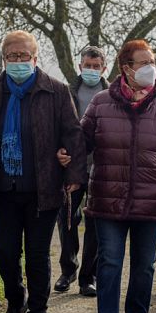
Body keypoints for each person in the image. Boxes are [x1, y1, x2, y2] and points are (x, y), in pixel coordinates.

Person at [0, 30, 86, 313]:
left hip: (43, 188)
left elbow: (72, 134)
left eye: (24, 56)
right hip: (4, 186)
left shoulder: (56, 91)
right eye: (12, 56)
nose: (18, 62)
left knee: (36, 255)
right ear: (4, 59)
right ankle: (16, 299)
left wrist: (71, 168)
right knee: (5, 252)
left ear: (35, 58)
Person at [80, 39, 156, 313]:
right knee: (110, 261)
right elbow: (83, 139)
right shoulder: (101, 102)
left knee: (145, 265)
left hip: (153, 199)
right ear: (126, 68)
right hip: (108, 195)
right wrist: (67, 152)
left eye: (152, 61)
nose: (150, 68)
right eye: (143, 63)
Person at [53, 45, 108, 297]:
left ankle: (89, 277)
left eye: (96, 66)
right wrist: (58, 151)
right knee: (67, 219)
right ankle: (68, 269)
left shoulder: (112, 94)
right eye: (88, 65)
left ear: (104, 68)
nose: (92, 70)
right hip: (71, 166)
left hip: (102, 166)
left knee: (95, 223)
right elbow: (54, 126)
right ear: (80, 66)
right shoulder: (65, 92)